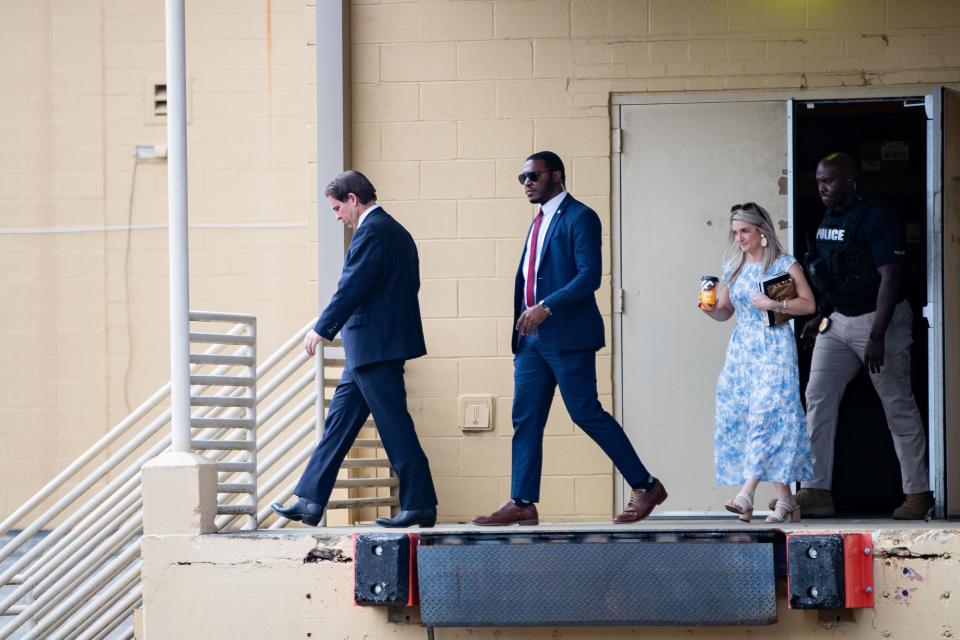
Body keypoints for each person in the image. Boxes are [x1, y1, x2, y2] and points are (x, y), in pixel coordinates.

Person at [472, 151, 667, 527]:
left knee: (584, 412)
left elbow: (589, 276)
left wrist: (546, 306)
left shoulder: (581, 216)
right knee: (526, 419)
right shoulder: (537, 222)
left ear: (556, 176)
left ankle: (647, 485)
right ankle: (523, 501)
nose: (526, 183)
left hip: (567, 336)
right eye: (521, 178)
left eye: (533, 176)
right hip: (531, 341)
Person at [271, 171, 438, 528]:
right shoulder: (397, 232)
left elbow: (352, 286)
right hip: (369, 348)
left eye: (336, 207)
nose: (336, 216)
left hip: (374, 347)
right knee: (338, 425)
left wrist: (322, 327)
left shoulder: (373, 230)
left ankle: (420, 503)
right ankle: (310, 500)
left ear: (353, 198)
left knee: (395, 426)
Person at [788, 152, 932, 520]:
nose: (822, 187)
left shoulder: (877, 215)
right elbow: (834, 275)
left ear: (850, 180)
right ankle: (816, 490)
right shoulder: (829, 218)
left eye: (830, 181)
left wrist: (878, 334)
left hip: (879, 321)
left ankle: (917, 493)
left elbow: (891, 277)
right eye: (819, 180)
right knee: (817, 398)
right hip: (838, 321)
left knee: (897, 404)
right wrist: (820, 314)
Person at [700, 203, 816, 523]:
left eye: (745, 231)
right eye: (735, 232)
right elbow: (725, 310)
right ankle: (786, 501)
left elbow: (808, 304)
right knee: (748, 418)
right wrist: (711, 310)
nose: (739, 238)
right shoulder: (734, 266)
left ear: (761, 231)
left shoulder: (783, 265)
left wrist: (774, 302)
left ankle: (746, 493)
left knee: (766, 417)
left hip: (774, 348)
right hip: (742, 352)